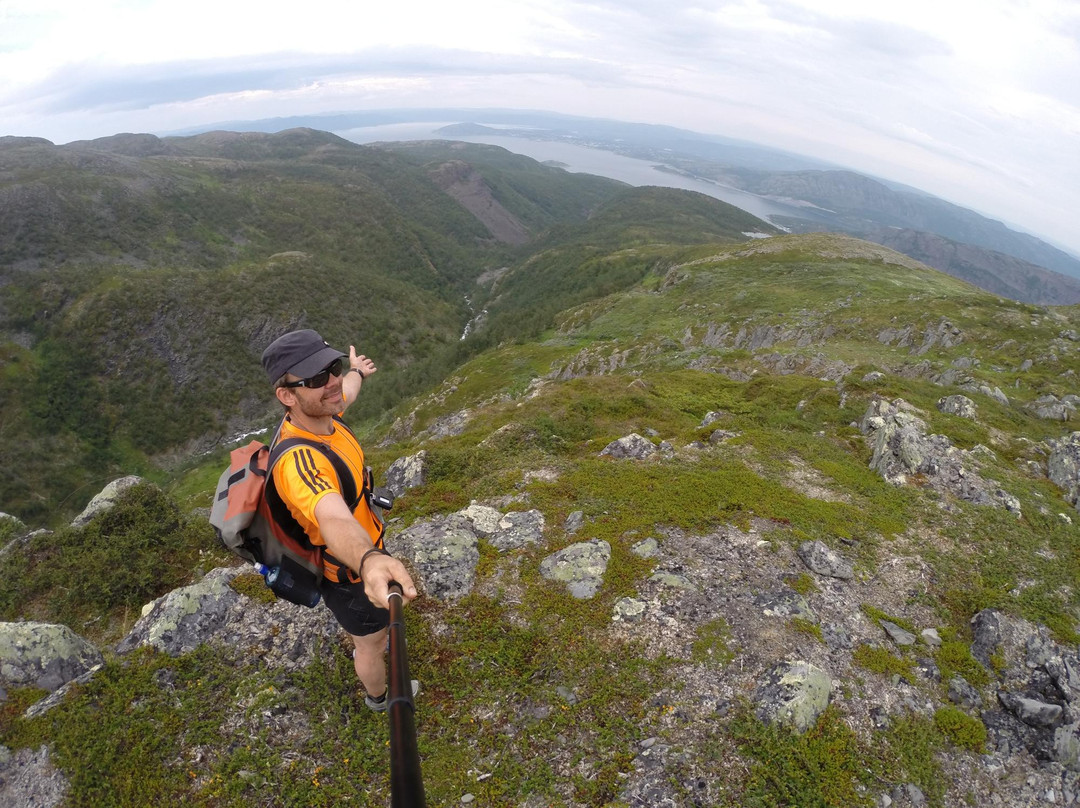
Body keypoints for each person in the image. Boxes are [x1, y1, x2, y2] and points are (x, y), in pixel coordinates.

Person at [261, 328, 418, 711]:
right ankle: (380, 698)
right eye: (315, 378)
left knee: (376, 632)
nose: (331, 382)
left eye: (332, 366)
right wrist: (369, 560)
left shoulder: (323, 410)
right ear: (287, 396)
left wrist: (357, 372)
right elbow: (331, 516)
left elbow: (345, 390)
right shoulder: (301, 463)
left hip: (365, 552)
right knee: (370, 643)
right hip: (347, 575)